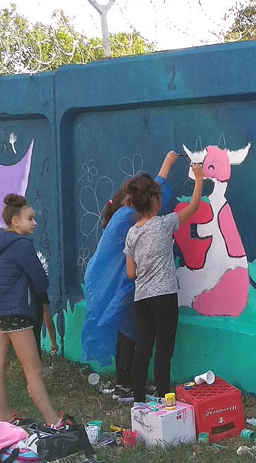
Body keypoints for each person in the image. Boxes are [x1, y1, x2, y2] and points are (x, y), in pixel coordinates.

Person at [82, 151, 179, 402]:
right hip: (127, 286)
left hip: (121, 284)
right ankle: (126, 387)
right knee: (129, 335)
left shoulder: (122, 218)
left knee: (129, 336)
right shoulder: (127, 217)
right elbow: (159, 191)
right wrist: (167, 163)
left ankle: (126, 385)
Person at [124, 159, 205, 403]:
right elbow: (194, 206)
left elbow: (131, 273)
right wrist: (198, 177)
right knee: (164, 350)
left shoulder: (132, 233)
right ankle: (163, 398)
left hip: (142, 298)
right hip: (165, 296)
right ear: (156, 201)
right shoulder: (164, 224)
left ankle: (139, 398)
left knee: (143, 348)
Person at [0, 193, 66, 429]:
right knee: (34, 369)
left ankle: (5, 417)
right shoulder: (22, 246)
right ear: (15, 221)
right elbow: (41, 281)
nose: (35, 223)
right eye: (30, 219)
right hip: (14, 311)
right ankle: (54, 422)